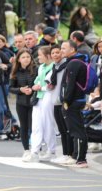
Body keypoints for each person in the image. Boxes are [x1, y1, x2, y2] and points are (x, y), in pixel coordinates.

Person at [23, 46, 55, 162]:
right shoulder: (41, 67)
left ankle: (51, 150)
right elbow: (36, 80)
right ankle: (34, 151)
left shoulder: (53, 67)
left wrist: (41, 87)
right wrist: (35, 86)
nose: (38, 57)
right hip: (38, 97)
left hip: (48, 96)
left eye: (40, 55)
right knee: (36, 125)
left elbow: (52, 84)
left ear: (47, 56)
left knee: (48, 124)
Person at [60, 40, 89, 168]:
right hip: (78, 100)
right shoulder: (77, 62)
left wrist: (66, 101)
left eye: (63, 48)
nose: (61, 50)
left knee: (76, 131)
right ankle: (77, 156)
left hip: (73, 102)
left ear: (72, 49)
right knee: (78, 129)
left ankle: (80, 159)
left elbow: (70, 85)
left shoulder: (73, 64)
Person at [47, 45, 73, 165]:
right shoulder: (54, 66)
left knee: (67, 129)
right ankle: (65, 154)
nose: (56, 55)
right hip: (55, 101)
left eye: (58, 52)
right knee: (62, 130)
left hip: (63, 101)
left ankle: (70, 155)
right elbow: (51, 82)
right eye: (53, 53)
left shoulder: (66, 66)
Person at [9, 49, 37, 159]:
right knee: (24, 127)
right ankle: (26, 149)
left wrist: (32, 90)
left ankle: (35, 148)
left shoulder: (36, 70)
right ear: (19, 60)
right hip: (21, 102)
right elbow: (10, 88)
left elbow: (39, 84)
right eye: (23, 57)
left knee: (33, 126)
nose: (26, 59)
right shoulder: (15, 71)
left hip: (33, 102)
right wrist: (20, 90)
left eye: (28, 57)